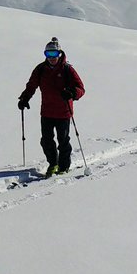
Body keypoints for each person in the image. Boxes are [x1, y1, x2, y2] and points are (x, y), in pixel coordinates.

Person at [18, 37, 86, 177]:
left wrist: (72, 93)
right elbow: (32, 85)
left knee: (63, 141)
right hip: (47, 112)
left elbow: (81, 88)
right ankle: (53, 164)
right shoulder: (41, 69)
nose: (51, 58)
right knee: (46, 140)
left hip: (64, 112)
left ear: (59, 53)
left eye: (54, 54)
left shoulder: (68, 69)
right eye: (48, 54)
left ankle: (63, 166)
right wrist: (25, 98)